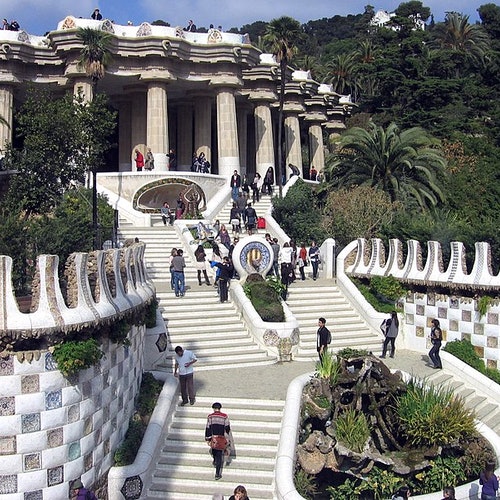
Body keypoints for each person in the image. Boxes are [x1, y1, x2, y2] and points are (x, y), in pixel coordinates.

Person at [205, 402, 231, 480]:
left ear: (213, 408)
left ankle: (215, 460)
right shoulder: (224, 416)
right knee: (219, 456)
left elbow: (208, 428)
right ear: (220, 408)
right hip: (221, 438)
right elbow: (227, 428)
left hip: (214, 438)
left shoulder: (210, 416)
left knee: (214, 451)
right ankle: (217, 474)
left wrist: (208, 438)